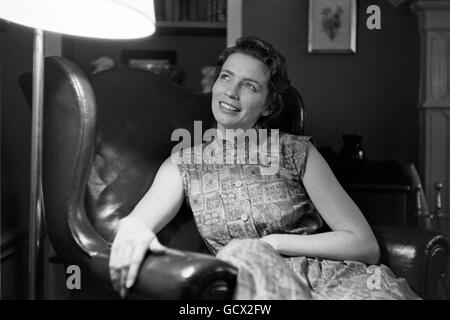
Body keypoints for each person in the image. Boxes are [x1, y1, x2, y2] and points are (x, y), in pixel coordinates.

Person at [109, 36, 420, 300]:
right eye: (226, 77)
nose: (231, 92)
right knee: (241, 254)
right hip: (258, 288)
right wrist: (133, 227)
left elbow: (364, 245)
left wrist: (274, 243)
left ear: (269, 105)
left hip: (340, 285)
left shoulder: (297, 152)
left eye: (249, 86)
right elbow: (139, 222)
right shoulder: (183, 164)